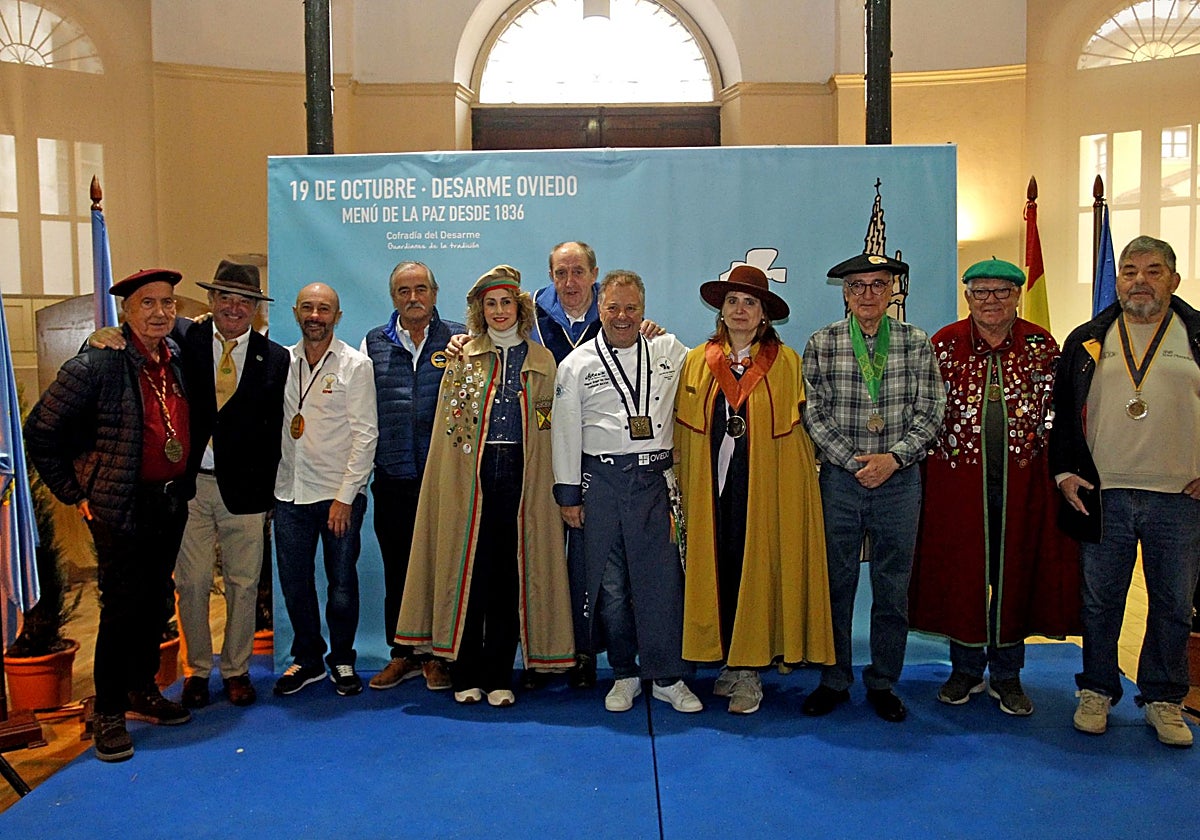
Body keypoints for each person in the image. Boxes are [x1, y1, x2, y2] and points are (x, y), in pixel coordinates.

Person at [25, 268, 195, 762]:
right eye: (148, 304)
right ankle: (110, 712)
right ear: (125, 310)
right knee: (122, 609)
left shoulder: (175, 357)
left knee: (155, 602)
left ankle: (142, 691)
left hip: (168, 501)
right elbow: (40, 432)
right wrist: (73, 490)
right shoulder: (96, 364)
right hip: (120, 505)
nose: (160, 312)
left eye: (168, 303)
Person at [395, 265, 572, 707]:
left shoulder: (542, 359)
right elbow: (449, 431)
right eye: (490, 304)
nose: (498, 311)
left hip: (522, 473)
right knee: (469, 572)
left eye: (506, 303)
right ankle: (465, 672)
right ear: (479, 310)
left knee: (508, 575)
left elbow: (550, 426)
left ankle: (499, 675)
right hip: (470, 476)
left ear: (520, 308)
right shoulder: (462, 356)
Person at [909, 258, 1080, 716]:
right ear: (967, 296)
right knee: (961, 574)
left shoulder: (1042, 346)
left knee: (1017, 573)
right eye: (981, 292)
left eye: (1001, 292)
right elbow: (922, 411)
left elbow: (1060, 414)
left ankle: (1007, 674)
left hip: (1025, 485)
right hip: (956, 485)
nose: (991, 301)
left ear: (1018, 296)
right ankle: (964, 669)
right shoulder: (942, 345)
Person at [1050, 235, 1200, 747]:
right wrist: (1065, 472)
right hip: (1104, 492)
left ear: (1173, 280)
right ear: (1118, 281)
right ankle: (1097, 689)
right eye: (1130, 270)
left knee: (1174, 603)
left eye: (1153, 271)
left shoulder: (1196, 334)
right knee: (1099, 601)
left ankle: (1163, 699)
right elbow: (1063, 413)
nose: (1140, 280)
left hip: (1180, 495)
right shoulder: (1090, 337)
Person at [676, 264, 835, 714]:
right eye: (732, 301)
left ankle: (749, 671)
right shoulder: (696, 360)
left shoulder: (786, 364)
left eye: (750, 302)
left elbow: (798, 442)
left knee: (756, 567)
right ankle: (727, 661)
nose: (740, 310)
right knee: (719, 565)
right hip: (712, 487)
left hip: (763, 486)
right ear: (720, 310)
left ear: (765, 314)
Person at [801, 252, 946, 722]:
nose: (867, 294)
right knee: (835, 585)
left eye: (877, 285)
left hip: (899, 482)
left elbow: (931, 412)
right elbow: (813, 413)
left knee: (891, 587)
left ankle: (883, 680)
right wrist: (851, 461)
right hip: (841, 482)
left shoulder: (916, 343)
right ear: (845, 293)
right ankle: (834, 678)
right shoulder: (821, 343)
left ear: (891, 292)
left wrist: (894, 459)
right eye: (858, 286)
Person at [552, 270, 702, 714]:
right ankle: (624, 673)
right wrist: (567, 496)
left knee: (661, 583)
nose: (622, 316)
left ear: (644, 309)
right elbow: (563, 432)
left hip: (655, 481)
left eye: (631, 308)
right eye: (613, 308)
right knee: (611, 586)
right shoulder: (575, 364)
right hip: (601, 482)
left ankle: (667, 676)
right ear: (600, 308)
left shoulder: (669, 351)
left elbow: (710, 374)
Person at [173, 261, 288, 710]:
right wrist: (100, 337)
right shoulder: (184, 340)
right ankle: (197, 670)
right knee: (194, 581)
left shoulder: (275, 357)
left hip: (247, 491)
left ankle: (237, 670)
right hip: (192, 488)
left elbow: (279, 426)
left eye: (245, 301)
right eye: (226, 298)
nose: (235, 308)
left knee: (243, 584)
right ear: (212, 302)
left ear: (257, 310)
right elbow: (132, 338)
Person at [362, 261, 465, 694]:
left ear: (435, 293)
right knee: (398, 569)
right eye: (403, 291)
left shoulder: (460, 339)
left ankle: (440, 656)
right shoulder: (374, 343)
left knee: (443, 570)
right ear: (394, 298)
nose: (412, 297)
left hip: (444, 480)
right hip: (394, 476)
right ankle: (402, 653)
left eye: (420, 288)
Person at [272, 283, 378, 698]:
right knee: (295, 583)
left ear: (337, 315)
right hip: (289, 494)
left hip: (338, 497)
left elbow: (366, 436)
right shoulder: (283, 361)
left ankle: (344, 659)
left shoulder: (355, 365)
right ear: (297, 312)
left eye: (325, 309)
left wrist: (345, 497)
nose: (315, 315)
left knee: (341, 584)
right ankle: (309, 659)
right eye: (308, 308)